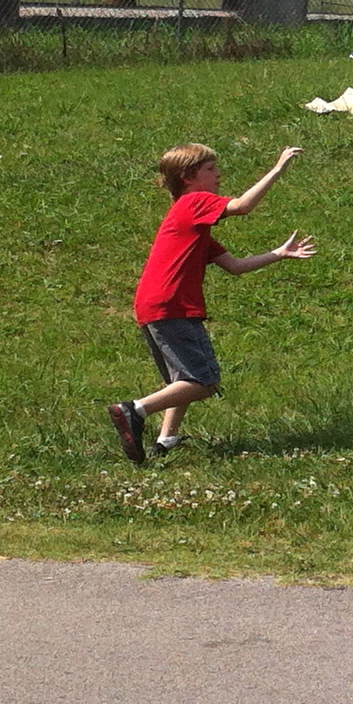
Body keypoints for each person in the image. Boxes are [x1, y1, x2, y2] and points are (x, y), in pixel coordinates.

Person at [110, 142, 315, 464]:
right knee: (203, 382)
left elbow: (235, 267)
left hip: (158, 305)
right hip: (171, 305)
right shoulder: (193, 203)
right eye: (210, 169)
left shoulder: (192, 227)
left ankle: (166, 440)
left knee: (182, 380)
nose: (218, 174)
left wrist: (279, 253)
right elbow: (243, 206)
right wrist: (277, 169)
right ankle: (133, 410)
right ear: (188, 177)